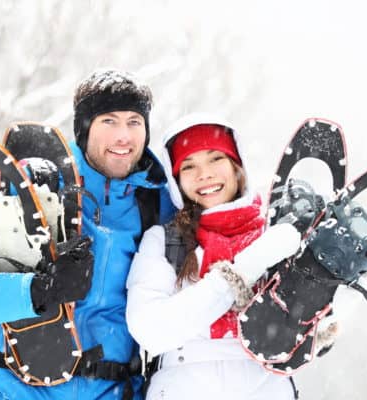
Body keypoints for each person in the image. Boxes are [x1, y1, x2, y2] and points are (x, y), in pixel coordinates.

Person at [0, 69, 174, 399]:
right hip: (17, 388)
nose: (123, 136)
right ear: (84, 129)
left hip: (113, 390)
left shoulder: (156, 201)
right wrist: (39, 291)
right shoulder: (30, 184)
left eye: (134, 122)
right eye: (109, 121)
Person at [126, 114, 302, 400]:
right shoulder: (166, 241)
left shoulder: (275, 235)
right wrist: (243, 271)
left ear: (237, 167)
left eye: (215, 159)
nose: (204, 174)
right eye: (189, 165)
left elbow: (305, 337)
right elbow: (149, 330)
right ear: (176, 180)